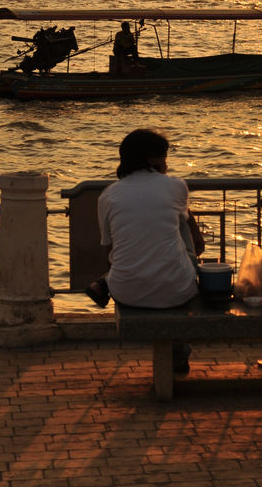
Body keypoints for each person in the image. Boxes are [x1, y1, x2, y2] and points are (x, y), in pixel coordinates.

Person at [87, 128, 205, 368]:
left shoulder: (108, 195)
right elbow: (190, 234)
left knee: (132, 247)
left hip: (127, 291)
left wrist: (115, 274)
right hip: (178, 289)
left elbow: (107, 249)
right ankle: (179, 348)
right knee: (181, 225)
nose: (166, 163)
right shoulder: (175, 186)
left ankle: (106, 281)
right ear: (152, 159)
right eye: (164, 157)